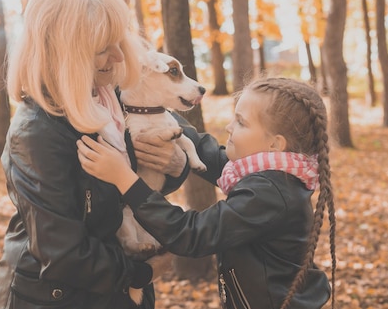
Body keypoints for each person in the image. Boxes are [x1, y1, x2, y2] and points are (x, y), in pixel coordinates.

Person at [0, 0, 191, 309]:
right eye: (102, 49)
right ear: (66, 55)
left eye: (117, 41)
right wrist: (142, 272)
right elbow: (63, 254)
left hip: (114, 289)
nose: (119, 56)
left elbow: (155, 169)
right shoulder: (36, 134)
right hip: (58, 297)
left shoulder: (110, 98)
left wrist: (178, 165)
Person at [77, 76, 337, 309]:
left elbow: (191, 234)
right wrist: (154, 106)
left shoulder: (268, 195)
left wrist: (125, 179)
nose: (229, 127)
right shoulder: (274, 177)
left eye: (241, 122)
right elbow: (215, 158)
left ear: (275, 144)